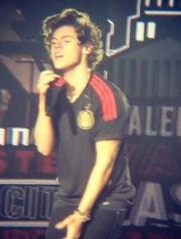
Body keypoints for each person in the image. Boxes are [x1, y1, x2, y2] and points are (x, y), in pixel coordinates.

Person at [34, 8, 135, 239]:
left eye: (66, 41)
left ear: (87, 47)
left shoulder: (107, 95)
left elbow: (105, 164)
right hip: (68, 196)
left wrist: (81, 216)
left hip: (107, 199)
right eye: (53, 42)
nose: (56, 47)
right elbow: (44, 147)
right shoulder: (53, 91)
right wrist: (42, 99)